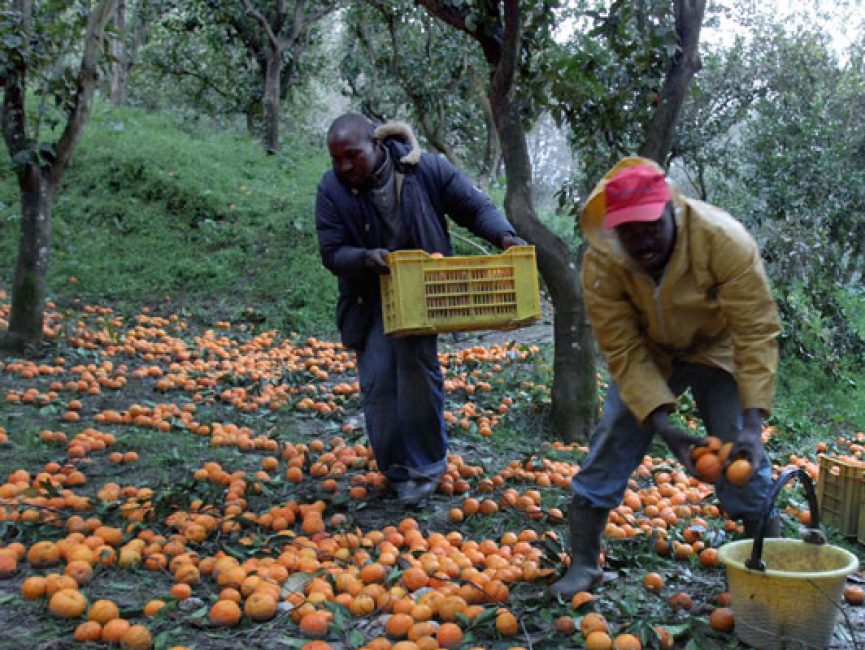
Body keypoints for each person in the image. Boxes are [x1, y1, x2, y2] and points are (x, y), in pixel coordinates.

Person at [550, 157, 783, 597]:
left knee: (738, 449)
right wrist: (662, 425)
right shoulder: (604, 262)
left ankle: (767, 562)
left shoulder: (722, 240)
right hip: (650, 350)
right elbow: (620, 346)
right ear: (612, 230)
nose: (641, 240)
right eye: (628, 231)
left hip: (717, 347)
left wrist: (753, 425)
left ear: (670, 210)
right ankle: (583, 563)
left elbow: (755, 332)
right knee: (616, 432)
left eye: (650, 225)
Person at [315, 114, 525, 506]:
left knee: (415, 374)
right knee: (378, 382)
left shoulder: (422, 169)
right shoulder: (332, 189)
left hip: (421, 292)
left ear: (376, 145)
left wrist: (504, 235)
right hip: (370, 297)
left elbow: (472, 206)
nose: (344, 167)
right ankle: (396, 471)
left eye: (352, 156)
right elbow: (331, 251)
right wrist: (364, 257)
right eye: (336, 159)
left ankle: (426, 467)